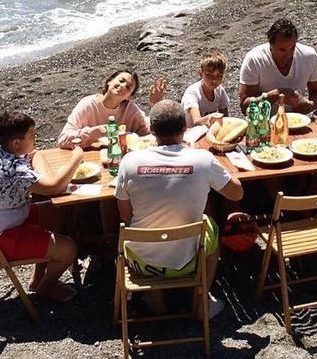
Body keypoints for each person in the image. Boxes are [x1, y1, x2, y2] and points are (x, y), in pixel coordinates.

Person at [114, 100, 243, 318]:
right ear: (184, 128)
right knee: (211, 225)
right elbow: (237, 193)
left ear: (152, 130)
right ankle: (201, 299)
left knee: (135, 227)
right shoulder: (202, 159)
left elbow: (124, 215)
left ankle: (156, 299)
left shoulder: (130, 162)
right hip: (188, 261)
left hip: (141, 261)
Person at [0, 111, 82, 302]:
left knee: (52, 212)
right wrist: (77, 157)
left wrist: (41, 165)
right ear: (16, 143)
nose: (36, 137)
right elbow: (53, 187)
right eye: (31, 135)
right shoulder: (14, 169)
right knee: (68, 248)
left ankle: (37, 279)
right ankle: (45, 287)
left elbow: (38, 160)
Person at [58, 69, 167, 149]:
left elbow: (155, 133)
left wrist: (156, 106)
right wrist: (95, 132)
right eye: (121, 80)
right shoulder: (88, 105)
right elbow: (63, 139)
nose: (123, 86)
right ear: (109, 81)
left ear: (129, 96)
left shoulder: (130, 109)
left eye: (128, 87)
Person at [238, 17, 317, 114]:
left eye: (292, 48)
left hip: (297, 119)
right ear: (271, 45)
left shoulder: (309, 56)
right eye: (282, 50)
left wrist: (309, 105)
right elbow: (245, 106)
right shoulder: (254, 60)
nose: (288, 54)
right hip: (265, 120)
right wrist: (273, 96)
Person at [181, 50, 230, 127]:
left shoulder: (219, 90)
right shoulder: (192, 93)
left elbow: (225, 117)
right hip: (191, 131)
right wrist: (213, 116)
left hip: (209, 129)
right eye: (209, 75)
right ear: (201, 73)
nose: (214, 80)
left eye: (219, 76)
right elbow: (196, 121)